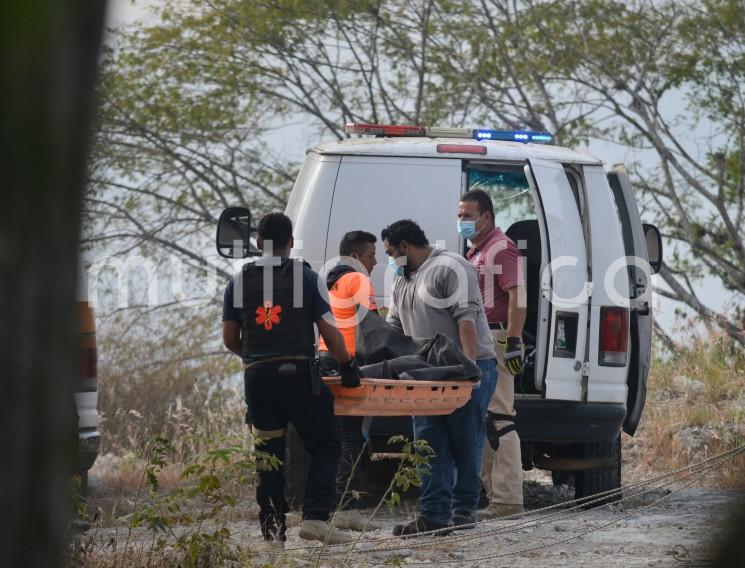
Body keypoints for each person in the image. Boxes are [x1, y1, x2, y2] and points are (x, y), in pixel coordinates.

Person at [222, 212, 362, 545]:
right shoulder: (306, 276)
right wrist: (347, 366)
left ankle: (272, 534)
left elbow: (230, 338)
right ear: (291, 243)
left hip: (258, 379)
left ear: (258, 243)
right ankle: (314, 518)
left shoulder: (238, 281)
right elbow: (330, 331)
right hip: (299, 376)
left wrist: (256, 360)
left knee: (268, 456)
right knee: (326, 444)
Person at [382, 219, 498, 536]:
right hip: (427, 373)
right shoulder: (401, 280)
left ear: (406, 247)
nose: (392, 260)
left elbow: (467, 321)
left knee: (465, 440)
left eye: (393, 253)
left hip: (469, 366)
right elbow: (393, 330)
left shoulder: (451, 267)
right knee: (429, 443)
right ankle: (434, 515)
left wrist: (470, 370)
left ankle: (463, 510)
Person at [458, 189, 527, 519]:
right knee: (487, 418)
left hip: (499, 336)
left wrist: (513, 340)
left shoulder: (500, 248)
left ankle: (508, 499)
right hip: (486, 337)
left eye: (467, 216)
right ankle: (494, 493)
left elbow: (518, 297)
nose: (462, 222)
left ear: (486, 217)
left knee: (501, 417)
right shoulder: (477, 251)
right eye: (459, 216)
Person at [317, 231, 379, 528]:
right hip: (347, 363)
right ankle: (345, 508)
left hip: (324, 360)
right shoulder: (358, 278)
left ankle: (326, 505)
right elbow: (373, 328)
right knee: (351, 439)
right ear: (356, 257)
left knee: (333, 438)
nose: (375, 262)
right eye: (371, 256)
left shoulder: (333, 280)